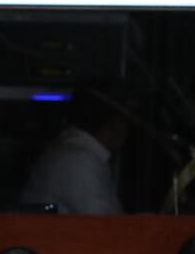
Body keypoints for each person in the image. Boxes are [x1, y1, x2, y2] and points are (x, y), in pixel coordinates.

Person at [21, 85, 131, 214]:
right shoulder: (80, 161)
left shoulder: (73, 150)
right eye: (125, 121)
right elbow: (104, 226)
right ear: (113, 124)